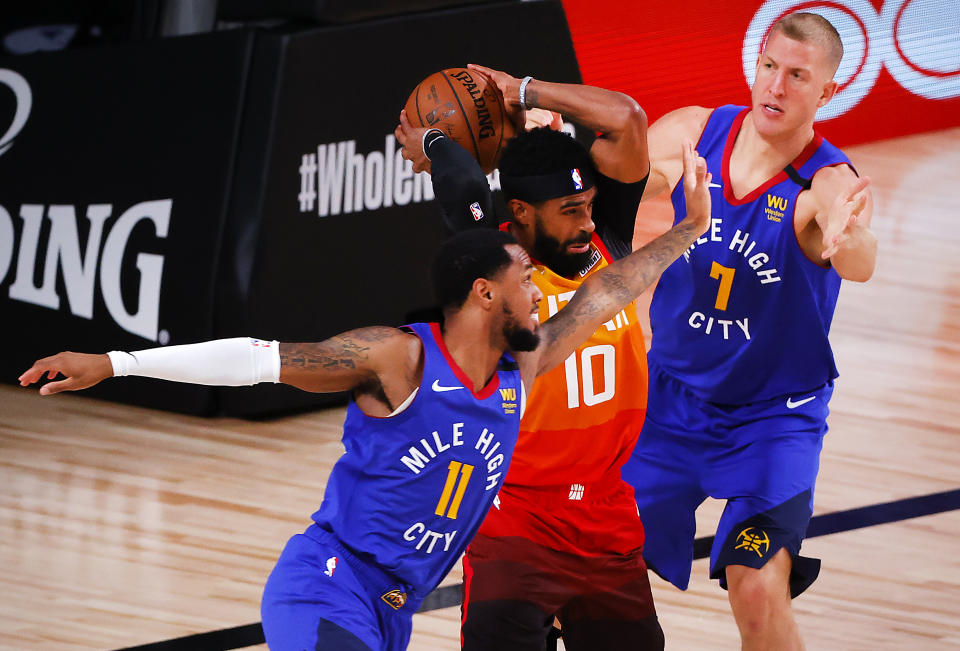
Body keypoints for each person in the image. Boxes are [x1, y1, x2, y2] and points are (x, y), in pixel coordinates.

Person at [19, 141, 712, 651]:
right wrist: (115, 361)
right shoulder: (398, 358)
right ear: (485, 294)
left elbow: (611, 289)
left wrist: (688, 229)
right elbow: (258, 361)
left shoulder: (516, 377)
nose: (539, 293)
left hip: (392, 609)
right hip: (328, 583)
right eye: (525, 283)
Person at [619, 12, 877, 650]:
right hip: (667, 404)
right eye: (769, 67)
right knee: (588, 561)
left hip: (771, 421)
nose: (777, 86)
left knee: (756, 584)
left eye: (798, 76)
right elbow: (618, 175)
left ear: (826, 93)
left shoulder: (826, 180)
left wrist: (847, 237)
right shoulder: (696, 132)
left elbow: (860, 257)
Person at [396, 65, 664, 649]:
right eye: (569, 209)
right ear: (519, 212)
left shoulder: (605, 240)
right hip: (516, 516)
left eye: (588, 204)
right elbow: (466, 186)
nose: (587, 222)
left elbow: (626, 119)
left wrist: (522, 92)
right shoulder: (493, 267)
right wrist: (437, 140)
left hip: (606, 510)